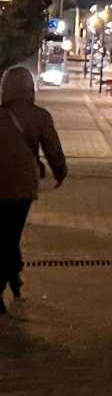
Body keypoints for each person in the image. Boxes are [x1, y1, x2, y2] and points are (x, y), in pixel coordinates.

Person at [0, 67, 66, 307]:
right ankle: (8, 279)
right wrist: (60, 172)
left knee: (5, 235)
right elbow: (53, 149)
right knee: (11, 234)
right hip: (22, 187)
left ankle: (13, 276)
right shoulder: (40, 116)